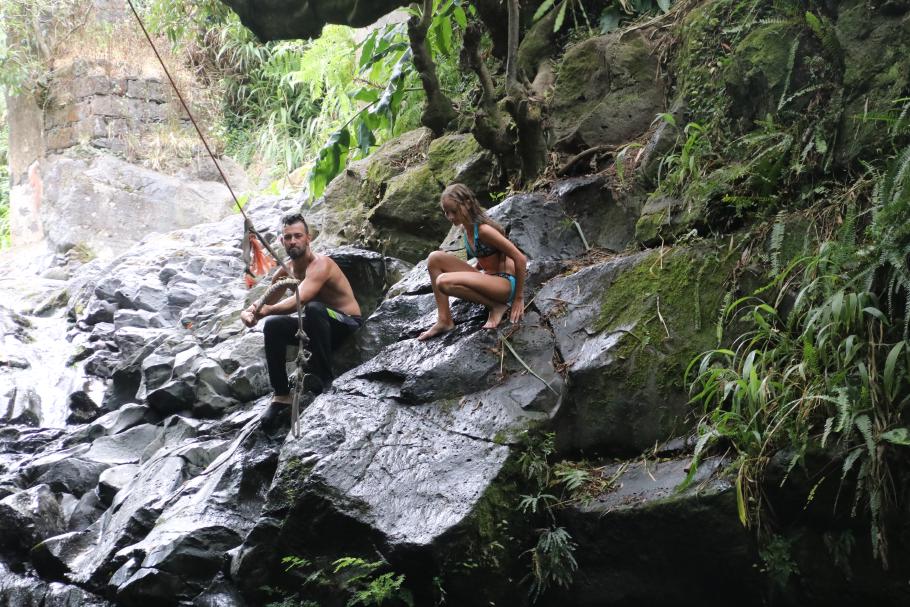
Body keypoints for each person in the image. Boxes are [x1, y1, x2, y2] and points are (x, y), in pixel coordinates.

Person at [241, 212, 362, 402]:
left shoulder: (321, 265)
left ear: (308, 238)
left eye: (298, 236)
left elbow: (301, 299)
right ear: (282, 241)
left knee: (315, 308)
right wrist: (249, 312)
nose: (293, 241)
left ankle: (325, 381)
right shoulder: (284, 272)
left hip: (346, 323)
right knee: (272, 325)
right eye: (288, 237)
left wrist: (265, 311)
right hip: (318, 327)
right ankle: (281, 395)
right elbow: (267, 300)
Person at [418, 183, 527, 341]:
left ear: (468, 203)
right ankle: (444, 320)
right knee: (434, 258)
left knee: (443, 282)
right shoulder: (466, 229)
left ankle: (496, 306)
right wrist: (474, 268)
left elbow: (520, 258)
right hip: (488, 279)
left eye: (453, 211)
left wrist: (518, 298)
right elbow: (485, 257)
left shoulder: (484, 230)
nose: (450, 217)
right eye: (446, 213)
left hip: (504, 285)